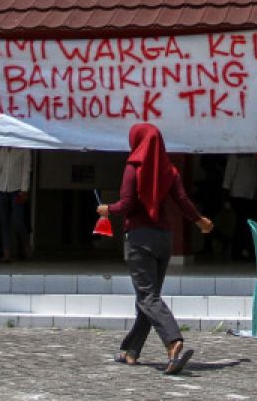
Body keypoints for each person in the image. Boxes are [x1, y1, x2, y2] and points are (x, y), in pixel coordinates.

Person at [97, 123, 214, 375]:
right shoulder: (169, 170)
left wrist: (109, 210)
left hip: (139, 239)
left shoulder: (133, 168)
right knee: (149, 298)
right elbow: (182, 201)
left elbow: (127, 204)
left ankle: (173, 341)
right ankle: (131, 350)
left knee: (148, 297)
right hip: (163, 239)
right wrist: (200, 220)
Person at [0, 146, 32, 262]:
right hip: (2, 188)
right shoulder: (2, 149)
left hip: (17, 189)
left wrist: (24, 189)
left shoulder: (24, 149)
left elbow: (26, 170)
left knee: (17, 221)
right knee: (4, 222)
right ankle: (7, 252)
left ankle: (25, 245)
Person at [223, 153, 257, 261]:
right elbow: (228, 175)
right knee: (242, 224)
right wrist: (225, 194)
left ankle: (247, 252)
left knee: (248, 224)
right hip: (238, 194)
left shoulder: (256, 156)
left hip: (252, 194)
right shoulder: (235, 155)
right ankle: (237, 252)